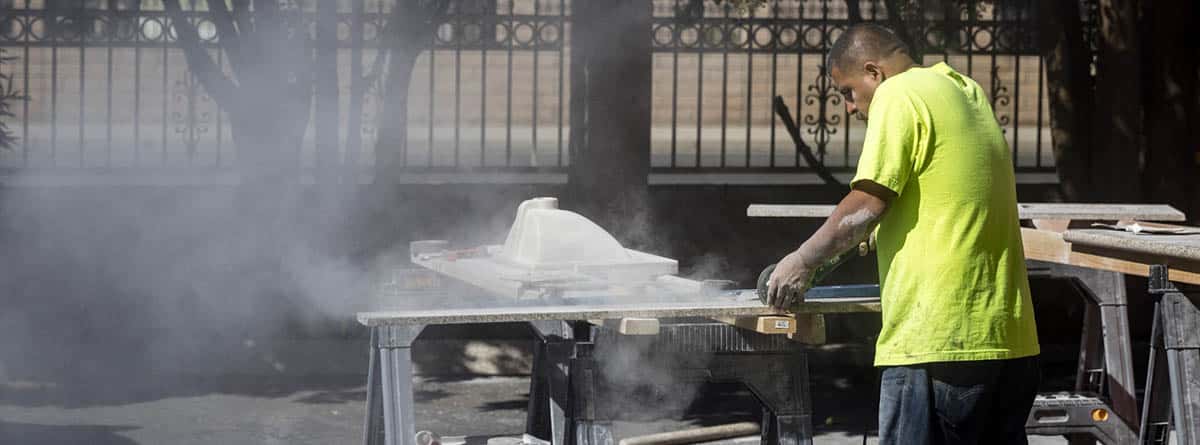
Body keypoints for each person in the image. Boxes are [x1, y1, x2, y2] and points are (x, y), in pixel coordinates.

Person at [764, 24, 1041, 444]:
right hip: (1009, 340)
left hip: (940, 343)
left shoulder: (898, 94)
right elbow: (946, 197)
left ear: (874, 72)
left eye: (847, 91)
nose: (850, 107)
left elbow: (865, 206)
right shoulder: (963, 90)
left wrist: (801, 261)